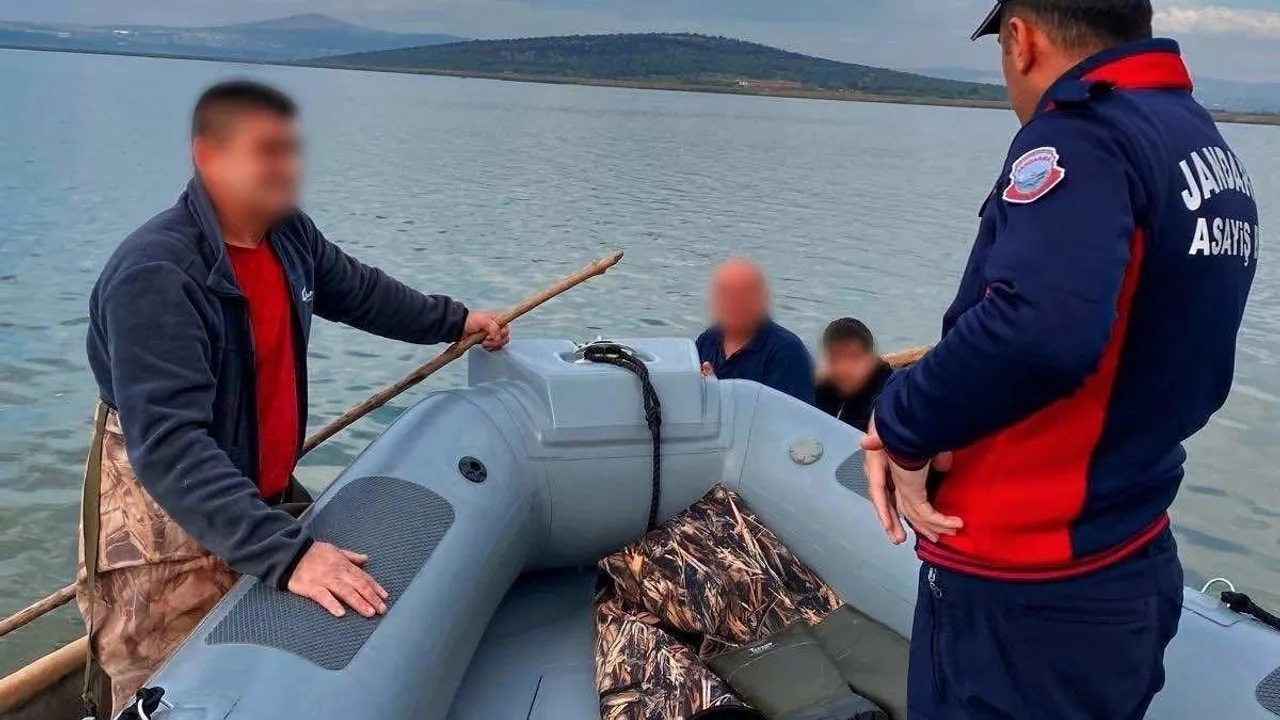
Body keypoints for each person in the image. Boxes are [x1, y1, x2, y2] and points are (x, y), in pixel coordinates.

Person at [861, 2, 1259, 718]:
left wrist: (903, 422)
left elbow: (1040, 327)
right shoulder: (1199, 141)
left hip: (1027, 586)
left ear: (1021, 39)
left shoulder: (1079, 134)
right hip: (1128, 550)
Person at [79, 80, 510, 714]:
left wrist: (453, 320)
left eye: (291, 149)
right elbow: (169, 446)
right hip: (164, 516)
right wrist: (290, 555)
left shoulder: (288, 236)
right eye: (266, 151)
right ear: (209, 157)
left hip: (252, 487)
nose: (287, 167)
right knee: (172, 688)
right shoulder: (158, 275)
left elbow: (360, 291)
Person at [695, 258, 815, 404]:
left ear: (762, 299)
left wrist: (717, 394)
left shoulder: (788, 352)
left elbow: (786, 415)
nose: (733, 303)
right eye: (725, 294)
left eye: (742, 295)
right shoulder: (707, 340)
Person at [814, 318, 893, 433]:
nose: (844, 368)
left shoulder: (889, 399)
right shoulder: (825, 388)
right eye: (836, 357)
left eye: (854, 357)